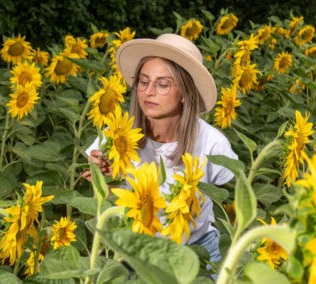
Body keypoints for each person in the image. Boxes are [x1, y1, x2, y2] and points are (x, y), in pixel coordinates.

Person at [82, 33, 238, 267]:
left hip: (198, 249)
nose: (149, 91)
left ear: (186, 93)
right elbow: (97, 168)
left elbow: (226, 191)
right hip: (137, 249)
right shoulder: (119, 134)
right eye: (144, 82)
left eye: (163, 84)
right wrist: (101, 174)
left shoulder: (212, 144)